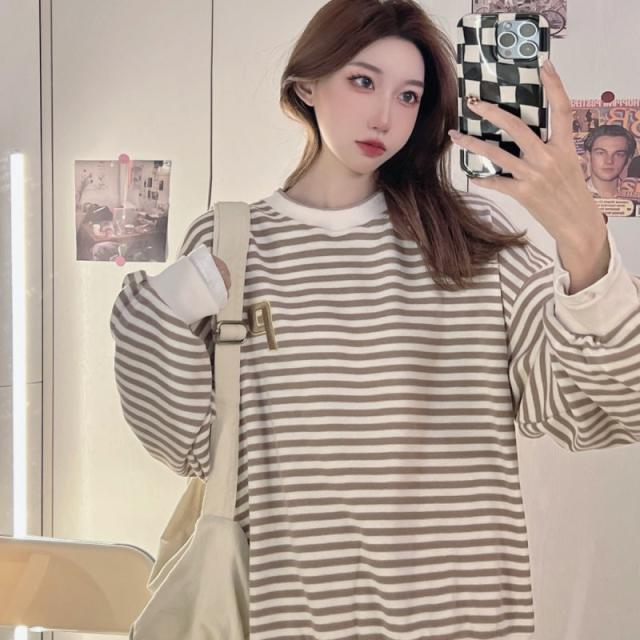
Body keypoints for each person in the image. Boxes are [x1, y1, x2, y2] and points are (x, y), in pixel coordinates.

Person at [109, 1, 640, 638]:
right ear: (307, 83)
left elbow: (604, 408)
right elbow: (190, 445)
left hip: (458, 617)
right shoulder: (232, 245)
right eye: (363, 81)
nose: (386, 117)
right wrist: (155, 313)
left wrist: (584, 241)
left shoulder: (472, 243)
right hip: (294, 614)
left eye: (409, 95)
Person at [582, 124, 638, 198]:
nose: (609, 161)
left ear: (628, 160)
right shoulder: (570, 196)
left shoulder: (636, 197)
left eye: (618, 154)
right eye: (601, 153)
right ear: (588, 156)